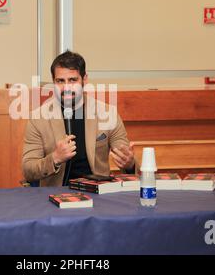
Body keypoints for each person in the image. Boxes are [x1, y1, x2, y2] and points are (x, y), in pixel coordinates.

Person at [22, 51, 135, 187]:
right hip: (55, 194)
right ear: (53, 82)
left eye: (73, 80)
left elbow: (125, 158)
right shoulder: (38, 118)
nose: (66, 87)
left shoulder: (107, 113)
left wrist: (130, 164)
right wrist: (55, 158)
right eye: (60, 81)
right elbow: (28, 169)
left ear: (84, 79)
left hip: (98, 193)